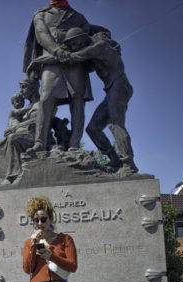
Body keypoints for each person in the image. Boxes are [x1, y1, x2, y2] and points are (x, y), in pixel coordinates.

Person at [61, 27, 138, 174]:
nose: (74, 47)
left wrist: (52, 55)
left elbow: (73, 57)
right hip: (111, 90)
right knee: (93, 128)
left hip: (119, 85)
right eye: (71, 45)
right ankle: (115, 160)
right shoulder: (94, 52)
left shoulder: (99, 47)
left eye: (75, 42)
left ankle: (129, 164)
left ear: (84, 37)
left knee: (116, 124)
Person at [23, 0, 93, 152]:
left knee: (78, 101)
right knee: (46, 99)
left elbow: (87, 33)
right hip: (51, 59)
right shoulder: (41, 14)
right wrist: (56, 50)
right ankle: (40, 142)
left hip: (74, 60)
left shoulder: (78, 17)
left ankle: (74, 144)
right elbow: (42, 34)